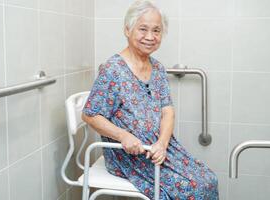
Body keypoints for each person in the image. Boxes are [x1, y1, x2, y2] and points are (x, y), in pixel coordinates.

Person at [82, 0, 219, 199]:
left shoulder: (158, 68)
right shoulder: (113, 70)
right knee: (192, 189)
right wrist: (123, 136)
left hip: (160, 149)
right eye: (143, 29)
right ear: (127, 30)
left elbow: (167, 111)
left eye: (156, 31)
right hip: (131, 155)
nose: (150, 37)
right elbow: (90, 115)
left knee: (208, 179)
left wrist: (162, 144)